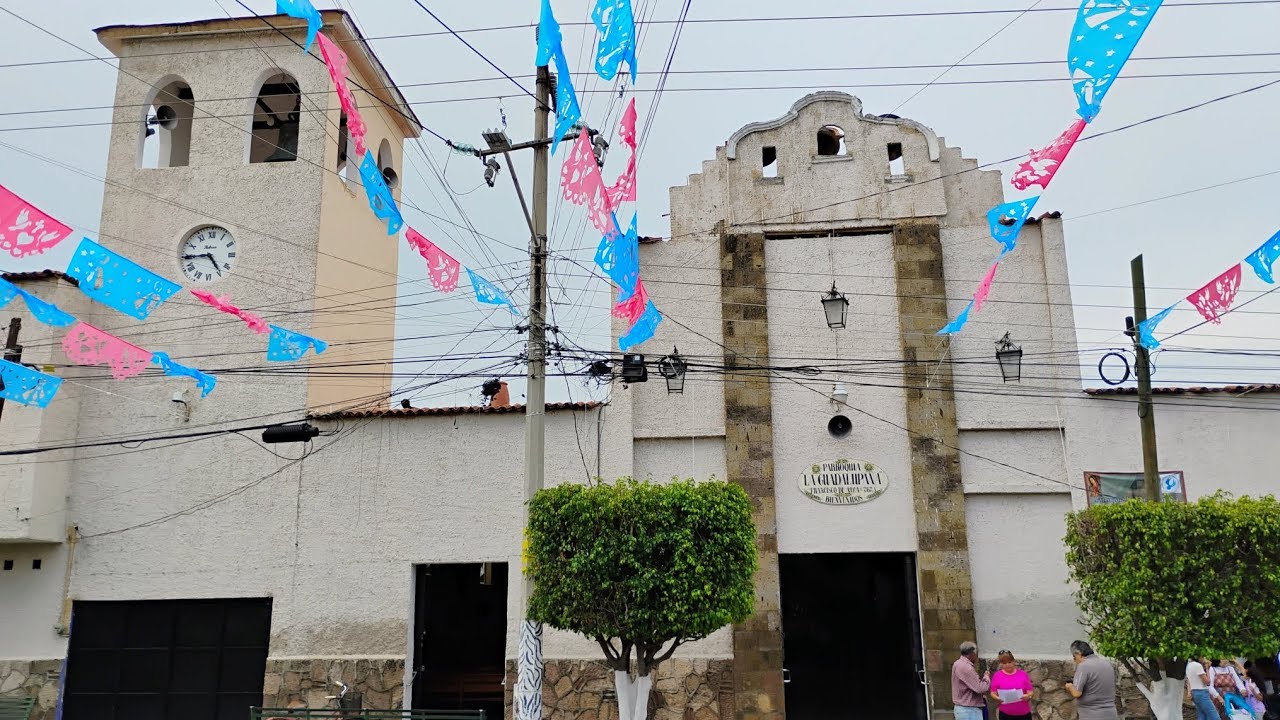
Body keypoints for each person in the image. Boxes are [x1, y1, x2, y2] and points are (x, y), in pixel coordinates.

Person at [1065, 640, 1118, 720]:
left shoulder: (1083, 666)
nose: (1074, 660)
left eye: (1074, 657)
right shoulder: (1107, 664)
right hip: (1111, 714)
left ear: (1078, 654)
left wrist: (1069, 686)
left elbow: (1076, 693)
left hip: (1091, 714)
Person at [989, 650, 1035, 720]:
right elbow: (993, 693)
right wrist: (998, 698)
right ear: (1001, 664)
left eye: (1009, 662)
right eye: (1004, 663)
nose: (1007, 665)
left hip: (1024, 714)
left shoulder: (1023, 674)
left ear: (1014, 661)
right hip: (1005, 714)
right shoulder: (997, 676)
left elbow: (1030, 691)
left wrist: (1028, 696)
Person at [952, 641, 992, 720]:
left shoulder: (957, 663)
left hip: (963, 708)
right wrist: (986, 677)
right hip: (969, 710)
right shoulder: (966, 667)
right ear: (972, 653)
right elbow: (980, 688)